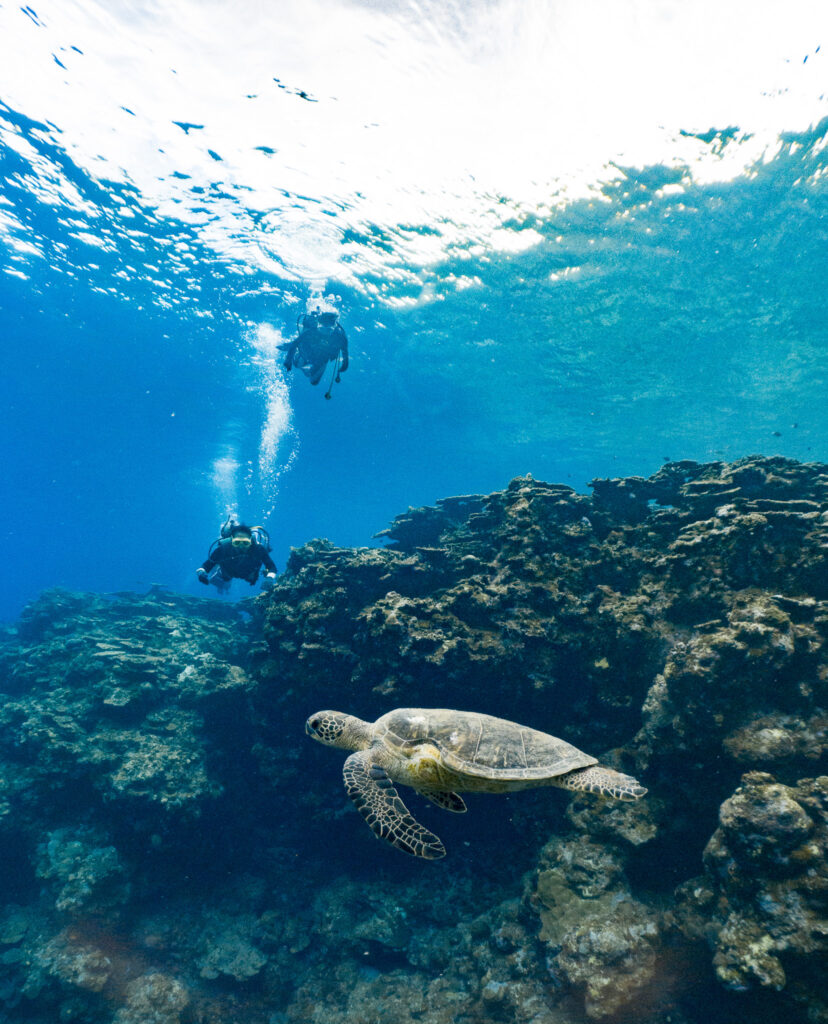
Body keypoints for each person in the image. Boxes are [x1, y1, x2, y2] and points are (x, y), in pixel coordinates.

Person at [280, 309, 349, 393]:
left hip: (322, 359)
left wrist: (345, 364)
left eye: (329, 329)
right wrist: (288, 360)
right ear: (319, 324)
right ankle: (297, 353)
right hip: (306, 351)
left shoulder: (340, 336)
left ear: (334, 326)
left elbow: (344, 351)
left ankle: (308, 366)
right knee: (297, 364)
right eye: (323, 328)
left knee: (314, 382)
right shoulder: (312, 330)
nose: (325, 332)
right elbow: (295, 343)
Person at [196, 520, 277, 592]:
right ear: (232, 540)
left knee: (251, 579)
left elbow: (272, 567)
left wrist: (269, 578)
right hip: (228, 572)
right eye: (237, 542)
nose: (241, 547)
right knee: (225, 578)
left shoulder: (258, 549)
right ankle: (219, 574)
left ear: (250, 540)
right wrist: (201, 573)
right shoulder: (223, 548)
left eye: (245, 543)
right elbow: (206, 565)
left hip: (248, 573)